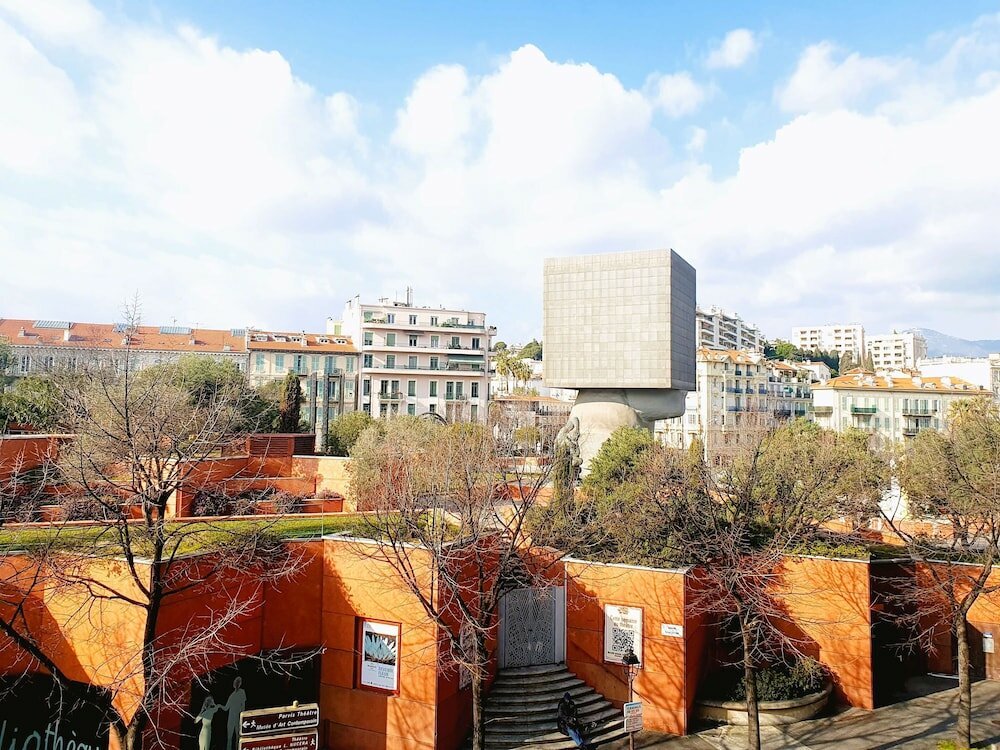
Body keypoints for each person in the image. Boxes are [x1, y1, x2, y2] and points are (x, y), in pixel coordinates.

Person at [223, 676, 247, 750]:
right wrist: (218, 706)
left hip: (238, 716)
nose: (237, 683)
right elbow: (226, 708)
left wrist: (242, 715)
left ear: (240, 683)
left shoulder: (242, 692)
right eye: (236, 682)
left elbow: (243, 705)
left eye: (238, 682)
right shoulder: (232, 695)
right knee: (229, 737)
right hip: (231, 718)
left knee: (238, 736)